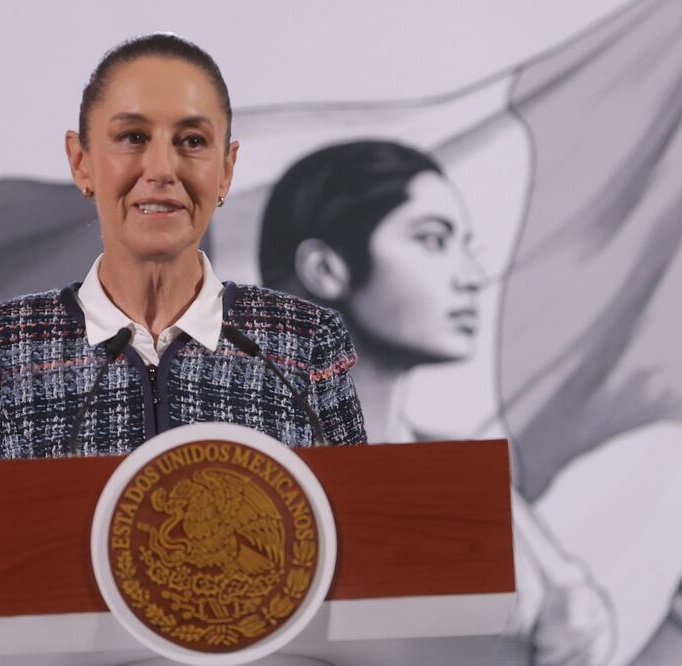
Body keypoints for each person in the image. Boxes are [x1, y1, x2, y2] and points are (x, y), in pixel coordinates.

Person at [259, 140, 616, 666]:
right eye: (432, 240)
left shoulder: (460, 470)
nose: (471, 276)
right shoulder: (242, 475)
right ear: (326, 268)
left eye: (464, 244)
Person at [0, 33, 366, 462]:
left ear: (226, 170)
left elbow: (359, 524)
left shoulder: (305, 344)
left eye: (193, 141)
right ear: (81, 161)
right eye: (133, 137)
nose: (161, 169)